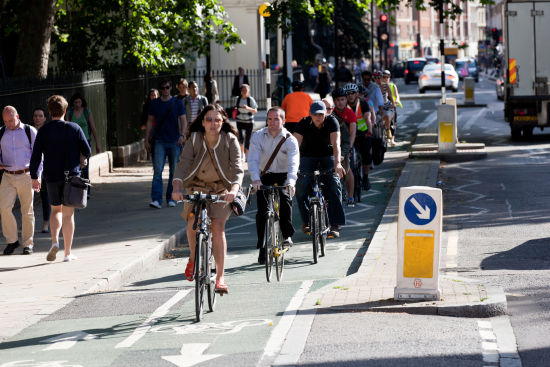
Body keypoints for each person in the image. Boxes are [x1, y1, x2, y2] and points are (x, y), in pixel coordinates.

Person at [172, 104, 243, 294]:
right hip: (197, 186)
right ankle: (194, 258)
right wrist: (177, 188)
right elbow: (182, 164)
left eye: (217, 120)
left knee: (218, 227)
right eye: (209, 119)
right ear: (202, 122)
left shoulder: (230, 140)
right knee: (193, 221)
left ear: (223, 122)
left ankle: (220, 278)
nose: (213, 123)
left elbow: (237, 170)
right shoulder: (195, 139)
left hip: (221, 189)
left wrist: (234, 191)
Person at [30, 95, 91, 262]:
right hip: (71, 176)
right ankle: (67, 253)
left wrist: (35, 177)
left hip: (51, 176)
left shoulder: (43, 131)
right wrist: (81, 158)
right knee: (68, 214)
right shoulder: (74, 128)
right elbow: (87, 150)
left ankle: (55, 241)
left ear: (49, 112)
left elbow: (35, 156)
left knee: (55, 210)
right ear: (65, 111)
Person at [248, 107, 299, 264]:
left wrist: (291, 181)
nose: (272, 122)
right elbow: (253, 160)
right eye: (269, 119)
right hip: (265, 175)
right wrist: (256, 180)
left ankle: (287, 235)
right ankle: (262, 247)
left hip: (283, 175)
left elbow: (293, 162)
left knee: (285, 199)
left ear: (283, 121)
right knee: (262, 211)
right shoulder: (258, 136)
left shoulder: (290, 139)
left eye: (276, 119)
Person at [294, 101, 346, 238]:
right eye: (315, 114)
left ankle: (335, 224)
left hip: (327, 156)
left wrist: (337, 164)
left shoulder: (332, 122)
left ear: (326, 113)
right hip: (307, 157)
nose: (318, 117)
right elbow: (294, 147)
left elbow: (336, 145)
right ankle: (306, 221)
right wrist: (292, 167)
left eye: (321, 114)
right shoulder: (303, 123)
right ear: (310, 114)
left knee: (334, 184)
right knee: (300, 187)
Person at [0, 106, 40, 255]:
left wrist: (37, 177)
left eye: (11, 120)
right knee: (4, 208)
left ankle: (28, 244)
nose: (9, 124)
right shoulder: (1, 132)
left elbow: (38, 156)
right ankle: (12, 241)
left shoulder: (30, 131)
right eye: (5, 121)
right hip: (8, 176)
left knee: (27, 211)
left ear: (18, 116)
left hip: (26, 174)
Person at [145, 79, 187, 209]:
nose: (165, 90)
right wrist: (146, 139)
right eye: (162, 88)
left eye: (167, 87)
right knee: (158, 170)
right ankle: (156, 199)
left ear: (170, 88)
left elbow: (184, 121)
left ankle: (171, 198)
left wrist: (182, 135)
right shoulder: (154, 103)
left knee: (174, 172)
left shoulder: (177, 103)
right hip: (159, 141)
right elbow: (150, 122)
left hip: (174, 141)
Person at [66, 93, 101, 191]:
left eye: (79, 102)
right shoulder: (69, 113)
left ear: (82, 103)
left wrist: (97, 144)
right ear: (73, 103)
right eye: (76, 102)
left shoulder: (87, 112)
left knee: (85, 167)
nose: (77, 104)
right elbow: (67, 128)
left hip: (85, 142)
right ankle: (77, 189)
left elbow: (93, 128)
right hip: (73, 143)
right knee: (75, 167)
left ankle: (87, 190)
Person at [345, 82, 374, 191]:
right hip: (348, 135)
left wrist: (369, 132)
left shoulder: (363, 103)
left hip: (363, 133)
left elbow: (367, 118)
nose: (350, 95)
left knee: (366, 154)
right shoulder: (343, 105)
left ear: (357, 94)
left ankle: (366, 178)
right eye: (348, 94)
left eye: (353, 93)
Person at [331, 88, 357, 206]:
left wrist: (349, 149)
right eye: (338, 100)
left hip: (346, 145)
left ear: (346, 100)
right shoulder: (331, 114)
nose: (340, 102)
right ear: (334, 101)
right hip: (333, 145)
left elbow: (352, 133)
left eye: (342, 99)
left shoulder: (350, 113)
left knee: (348, 169)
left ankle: (351, 196)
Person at [32, 107, 51, 233]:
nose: (37, 118)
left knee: (45, 196)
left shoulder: (47, 132)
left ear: (45, 118)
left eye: (40, 116)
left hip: (45, 168)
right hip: (31, 168)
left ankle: (46, 223)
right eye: (35, 116)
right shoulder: (29, 131)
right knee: (29, 198)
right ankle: (28, 223)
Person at [234, 84, 258, 161]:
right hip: (239, 120)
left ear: (248, 91)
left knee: (248, 139)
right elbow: (235, 108)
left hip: (249, 121)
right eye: (243, 90)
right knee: (241, 138)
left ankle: (248, 155)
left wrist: (248, 108)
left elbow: (255, 111)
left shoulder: (250, 100)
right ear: (241, 91)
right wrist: (234, 113)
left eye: (246, 90)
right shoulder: (237, 99)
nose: (244, 92)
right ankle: (242, 154)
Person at [375, 70, 396, 145]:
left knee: (387, 116)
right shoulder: (373, 87)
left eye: (380, 77)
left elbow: (390, 95)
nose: (378, 79)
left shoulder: (385, 85)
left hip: (386, 106)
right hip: (377, 107)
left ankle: (388, 130)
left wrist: (393, 103)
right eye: (376, 78)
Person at [386, 70, 402, 146]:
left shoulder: (392, 85)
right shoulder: (379, 86)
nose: (386, 78)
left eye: (387, 77)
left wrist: (396, 101)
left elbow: (397, 95)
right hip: (384, 107)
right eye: (384, 77)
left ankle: (392, 139)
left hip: (392, 106)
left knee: (393, 123)